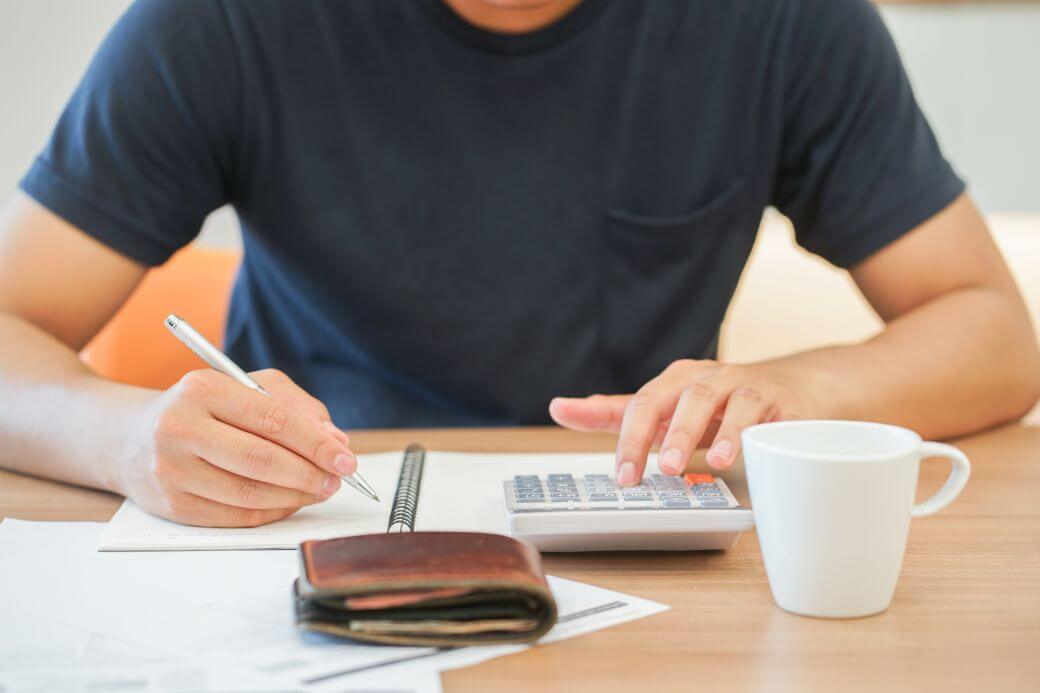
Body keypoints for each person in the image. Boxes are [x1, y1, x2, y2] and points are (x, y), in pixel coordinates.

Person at [1, 0, 1037, 528]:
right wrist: (124, 438)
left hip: (633, 535)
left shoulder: (781, 22)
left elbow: (992, 335)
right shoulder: (221, 21)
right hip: (304, 526)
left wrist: (791, 389)